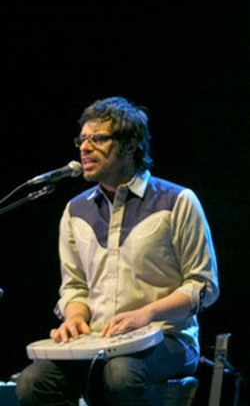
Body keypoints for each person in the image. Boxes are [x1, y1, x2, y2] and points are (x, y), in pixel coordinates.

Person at [16, 96, 220, 406]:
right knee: (32, 382)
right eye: (82, 139)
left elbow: (202, 285)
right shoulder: (75, 211)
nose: (84, 148)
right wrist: (74, 317)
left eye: (97, 139)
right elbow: (75, 287)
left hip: (166, 338)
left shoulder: (178, 201)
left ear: (130, 145)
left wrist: (144, 314)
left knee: (121, 375)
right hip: (98, 340)